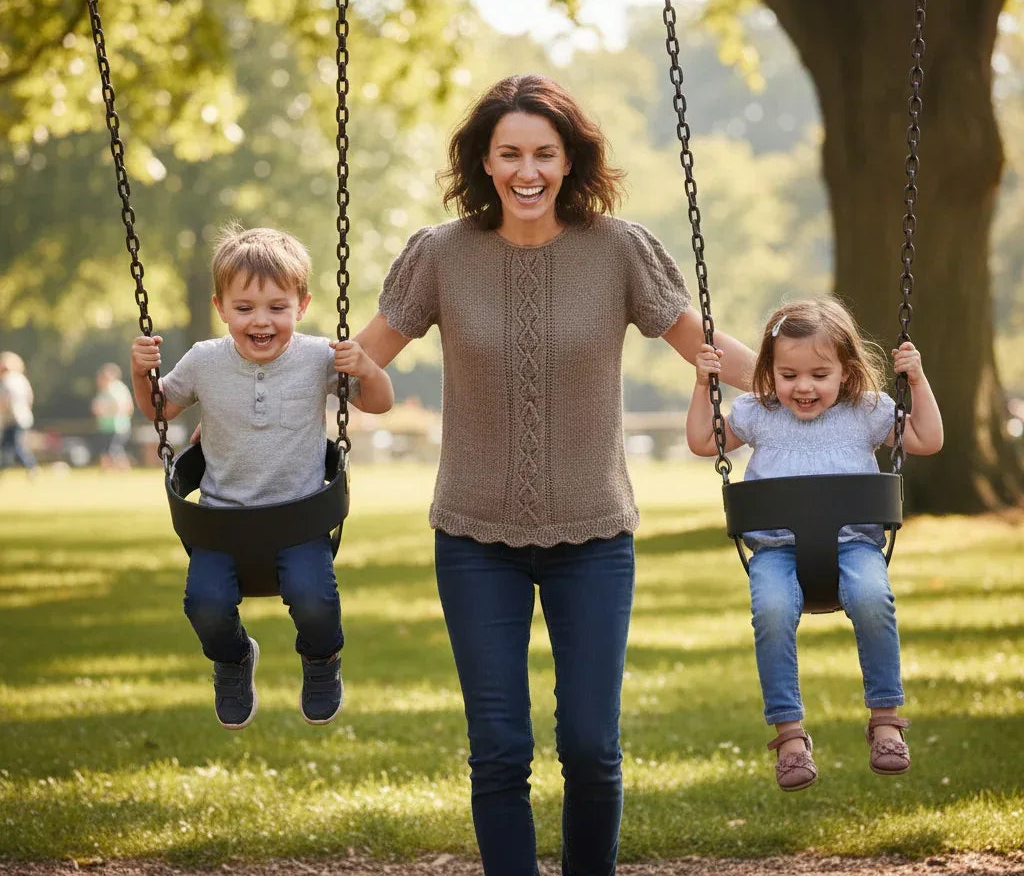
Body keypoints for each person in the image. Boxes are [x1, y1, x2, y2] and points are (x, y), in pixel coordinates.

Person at [352, 74, 756, 876]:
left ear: (571, 161)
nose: (526, 170)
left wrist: (822, 385)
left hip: (594, 533)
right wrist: (259, 368)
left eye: (544, 152)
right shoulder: (439, 255)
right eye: (510, 153)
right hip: (473, 536)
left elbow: (707, 345)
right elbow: (361, 366)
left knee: (590, 746)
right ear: (485, 161)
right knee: (499, 748)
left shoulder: (619, 249)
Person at [129, 224, 393, 730]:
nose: (261, 321)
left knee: (316, 602)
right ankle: (232, 660)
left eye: (277, 307)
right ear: (220, 307)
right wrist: (141, 374)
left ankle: (321, 662)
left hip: (299, 520)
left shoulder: (319, 357)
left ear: (302, 304)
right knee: (204, 606)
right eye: (244, 308)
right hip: (222, 521)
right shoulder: (205, 360)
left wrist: (368, 368)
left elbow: (379, 403)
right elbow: (159, 410)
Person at [686, 296, 943, 792]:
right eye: (788, 375)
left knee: (873, 599)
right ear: (769, 371)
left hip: (855, 546)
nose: (803, 387)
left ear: (846, 372)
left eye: (818, 375)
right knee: (773, 611)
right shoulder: (757, 413)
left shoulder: (868, 411)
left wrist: (916, 379)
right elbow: (702, 441)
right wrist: (703, 385)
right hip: (776, 551)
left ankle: (886, 721)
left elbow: (926, 439)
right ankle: (789, 737)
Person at [0, 351, 38, 475]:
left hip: (13, 419)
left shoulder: (7, 380)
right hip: (23, 417)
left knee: (15, 447)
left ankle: (32, 467)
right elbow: (30, 398)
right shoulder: (22, 379)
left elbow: (4, 401)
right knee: (8, 446)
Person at [91, 363, 135, 470]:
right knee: (109, 450)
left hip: (118, 426)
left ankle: (122, 469)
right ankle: (108, 470)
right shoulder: (104, 390)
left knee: (114, 450)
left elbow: (124, 407)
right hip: (106, 426)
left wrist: (106, 411)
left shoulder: (117, 388)